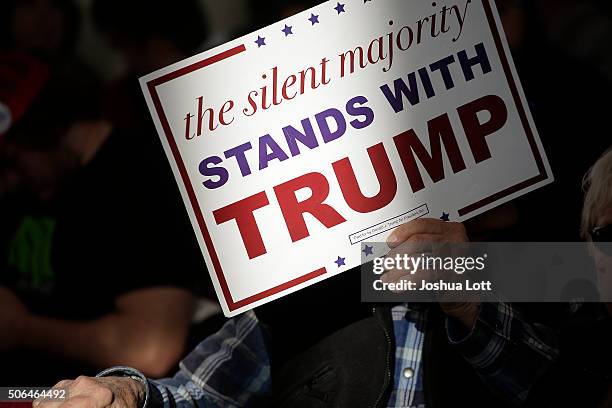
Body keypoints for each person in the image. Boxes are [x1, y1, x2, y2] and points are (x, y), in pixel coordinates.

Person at [0, 73, 201, 385]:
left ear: (41, 132)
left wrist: (23, 328)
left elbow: (152, 347)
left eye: (10, 161)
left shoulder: (135, 180)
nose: (8, 181)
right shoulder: (30, 191)